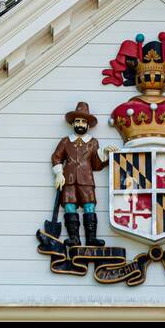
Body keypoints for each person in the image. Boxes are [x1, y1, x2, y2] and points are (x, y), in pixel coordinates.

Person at [51, 101, 115, 247]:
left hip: (86, 179)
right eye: (77, 121)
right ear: (73, 124)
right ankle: (74, 238)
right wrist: (59, 173)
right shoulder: (66, 141)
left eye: (83, 122)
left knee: (89, 206)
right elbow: (56, 157)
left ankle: (91, 238)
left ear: (87, 125)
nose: (80, 124)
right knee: (69, 206)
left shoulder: (93, 142)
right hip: (69, 179)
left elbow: (96, 165)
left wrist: (105, 154)